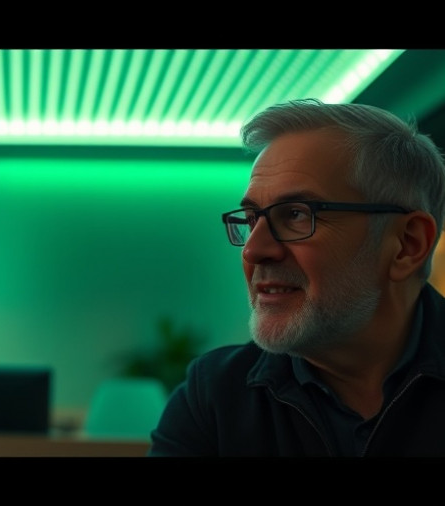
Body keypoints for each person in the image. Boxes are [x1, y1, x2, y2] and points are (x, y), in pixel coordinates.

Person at [148, 98, 445, 456]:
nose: (253, 251)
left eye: (297, 215)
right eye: (253, 218)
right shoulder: (214, 395)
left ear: (406, 245)